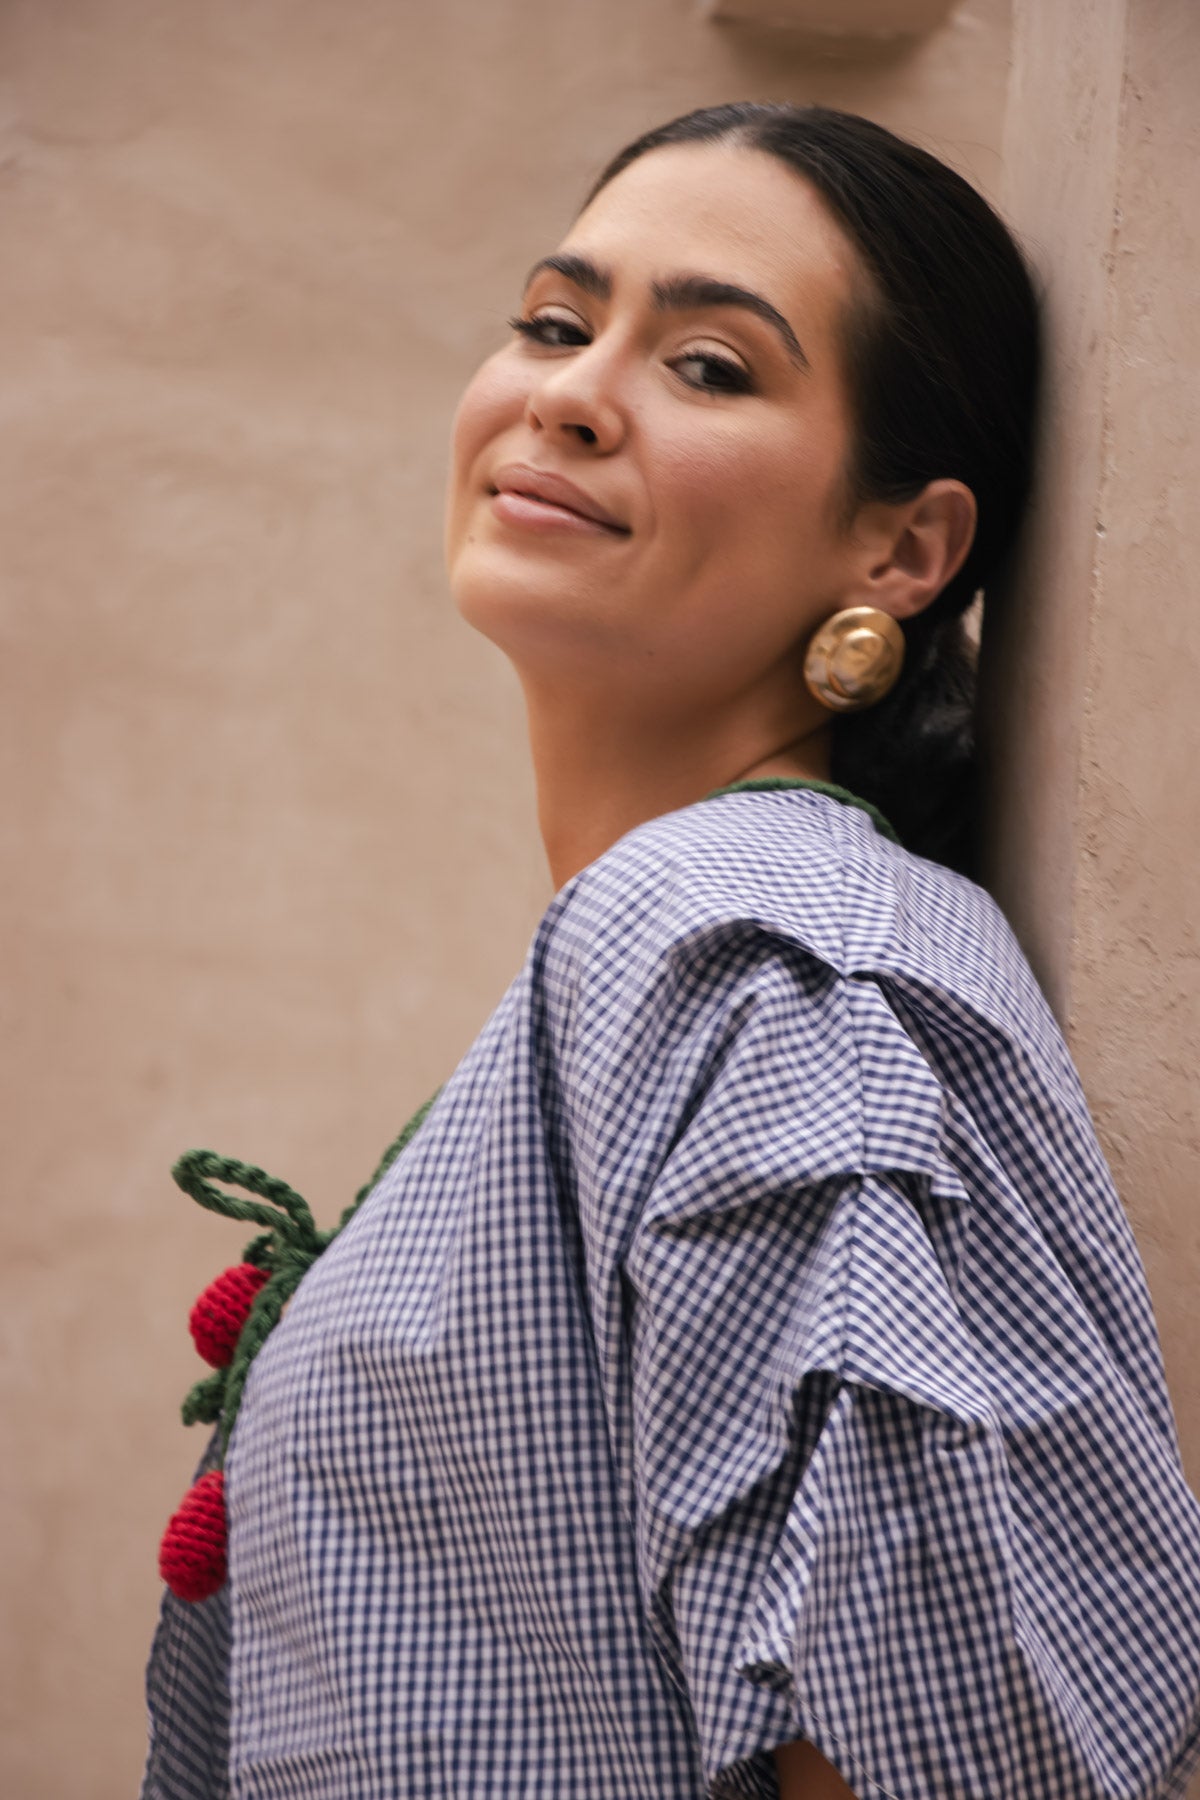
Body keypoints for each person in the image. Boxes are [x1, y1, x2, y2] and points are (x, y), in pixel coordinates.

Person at [143, 103, 1200, 1799]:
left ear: (902, 550)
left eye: (709, 365)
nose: (570, 392)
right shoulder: (660, 942)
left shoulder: (747, 936)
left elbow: (896, 1745)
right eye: (554, 322)